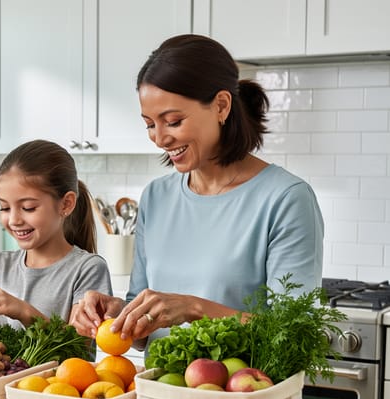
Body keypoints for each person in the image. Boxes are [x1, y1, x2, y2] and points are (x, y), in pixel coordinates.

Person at [70, 34, 325, 347]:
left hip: (245, 394)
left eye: (173, 121)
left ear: (221, 106)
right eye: (150, 124)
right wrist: (118, 313)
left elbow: (296, 338)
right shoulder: (156, 197)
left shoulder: (286, 199)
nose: (159, 138)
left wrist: (195, 309)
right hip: (162, 394)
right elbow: (144, 333)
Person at [0, 139, 112, 331]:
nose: (14, 219)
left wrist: (23, 311)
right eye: (4, 207)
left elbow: (78, 349)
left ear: (66, 204)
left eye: (28, 208)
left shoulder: (87, 269)